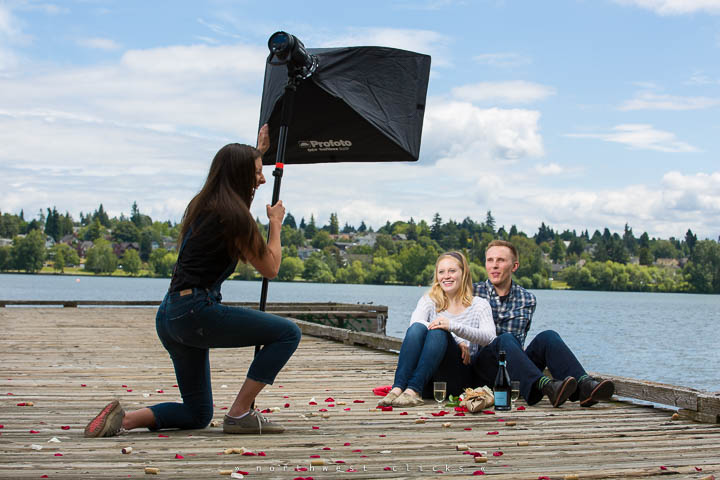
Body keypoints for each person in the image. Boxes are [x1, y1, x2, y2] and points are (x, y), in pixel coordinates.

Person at [84, 125, 301, 437]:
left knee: (197, 413)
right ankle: (240, 413)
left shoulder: (204, 204)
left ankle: (123, 419)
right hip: (196, 313)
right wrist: (276, 225)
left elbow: (235, 186)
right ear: (240, 175)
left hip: (171, 314)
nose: (263, 179)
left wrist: (257, 153)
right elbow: (271, 268)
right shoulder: (236, 217)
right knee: (287, 333)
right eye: (257, 172)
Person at [472, 239, 614, 407]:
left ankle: (585, 385)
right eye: (490, 260)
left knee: (548, 337)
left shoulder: (527, 299)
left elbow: (519, 341)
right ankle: (545, 386)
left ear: (514, 266)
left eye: (501, 260)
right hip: (484, 368)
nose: (494, 265)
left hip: (515, 367)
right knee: (505, 339)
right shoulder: (472, 292)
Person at [379, 251, 496, 408]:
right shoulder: (429, 301)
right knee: (419, 327)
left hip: (459, 377)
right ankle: (398, 388)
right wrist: (458, 339)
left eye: (452, 271)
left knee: (439, 332)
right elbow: (415, 327)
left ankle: (413, 391)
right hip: (428, 379)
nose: (446, 276)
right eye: (441, 272)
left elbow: (490, 337)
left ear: (464, 273)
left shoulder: (480, 305)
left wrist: (453, 327)